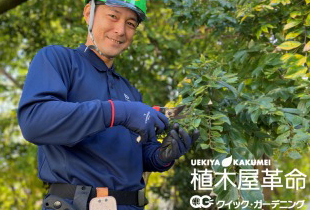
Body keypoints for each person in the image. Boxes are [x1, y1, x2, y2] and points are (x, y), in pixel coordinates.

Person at [17, 0, 199, 209]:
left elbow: (139, 156)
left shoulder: (130, 92)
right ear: (89, 13)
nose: (120, 30)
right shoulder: (58, 60)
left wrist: (163, 156)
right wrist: (118, 112)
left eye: (130, 23)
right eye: (113, 16)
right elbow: (34, 121)